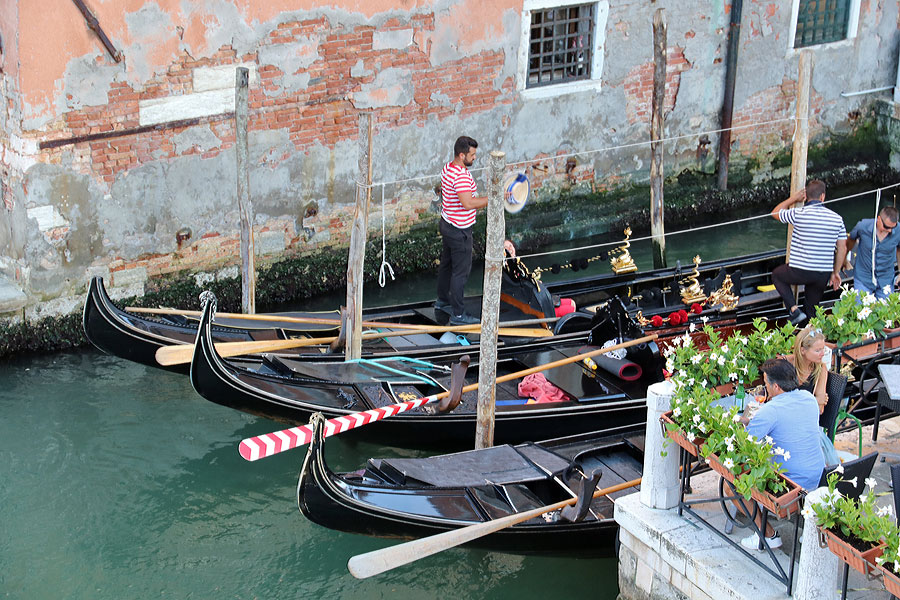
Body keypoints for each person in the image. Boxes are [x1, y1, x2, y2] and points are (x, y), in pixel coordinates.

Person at [738, 358, 825, 550]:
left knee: (734, 484)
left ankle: (766, 535)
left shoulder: (770, 410)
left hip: (790, 487)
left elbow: (745, 444)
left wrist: (742, 423)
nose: (765, 387)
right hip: (818, 478)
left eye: (766, 383)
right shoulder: (809, 398)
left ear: (776, 386)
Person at [770, 180, 848, 325]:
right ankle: (808, 336)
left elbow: (775, 212)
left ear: (806, 196)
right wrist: (835, 272)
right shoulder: (837, 219)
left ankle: (794, 310)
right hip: (822, 274)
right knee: (811, 311)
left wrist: (793, 199)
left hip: (800, 271)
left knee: (777, 275)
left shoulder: (799, 213)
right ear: (822, 197)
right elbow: (842, 248)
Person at [435, 136, 489, 325]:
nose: (474, 158)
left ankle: (442, 301)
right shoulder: (461, 176)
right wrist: (493, 198)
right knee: (461, 273)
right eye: (472, 155)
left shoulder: (447, 168)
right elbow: (468, 203)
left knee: (447, 265)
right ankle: (458, 315)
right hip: (460, 231)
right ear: (461, 154)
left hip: (447, 224)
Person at [845, 206, 900, 299]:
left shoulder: (898, 231)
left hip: (886, 279)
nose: (890, 230)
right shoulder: (863, 226)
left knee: (886, 311)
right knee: (860, 310)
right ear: (879, 219)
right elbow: (850, 239)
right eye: (886, 227)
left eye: (893, 227)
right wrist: (845, 260)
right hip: (863, 277)